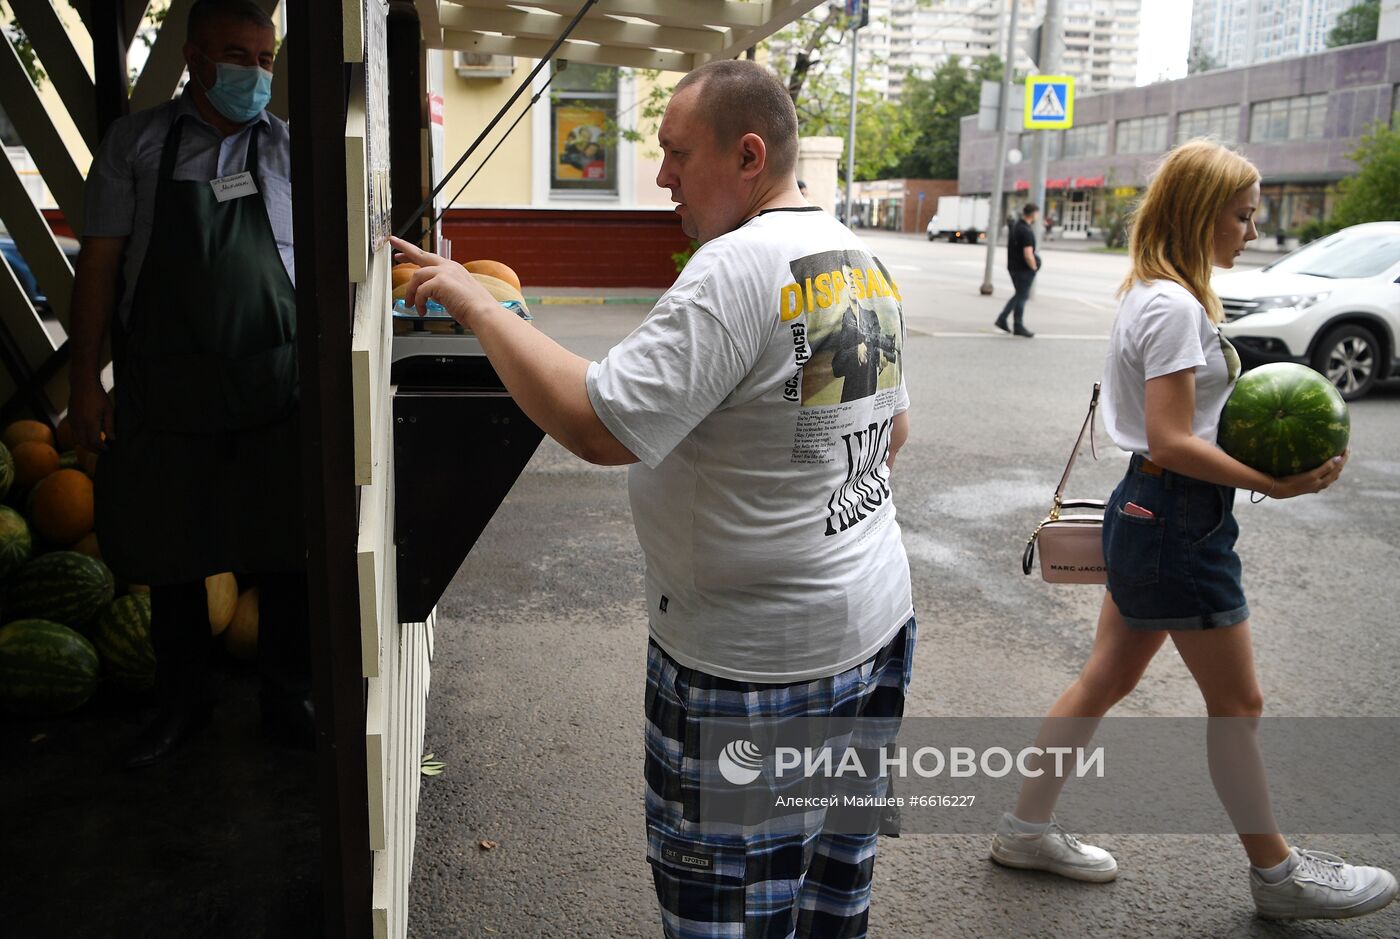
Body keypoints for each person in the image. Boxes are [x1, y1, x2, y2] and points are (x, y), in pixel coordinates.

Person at [391, 58, 914, 937]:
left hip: (751, 668)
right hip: (870, 632)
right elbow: (891, 432)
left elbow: (601, 423)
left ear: (749, 155)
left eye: (676, 155)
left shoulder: (732, 271)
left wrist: (481, 308)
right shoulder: (855, 257)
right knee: (829, 895)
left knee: (729, 916)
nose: (663, 176)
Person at [989, 139, 1397, 922]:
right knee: (1238, 701)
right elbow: (1174, 437)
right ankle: (1277, 875)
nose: (1254, 229)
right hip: (1175, 516)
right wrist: (1273, 480)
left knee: (1104, 677)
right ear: (1200, 214)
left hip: (1151, 507)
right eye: (1243, 216)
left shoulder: (1155, 292)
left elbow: (1175, 426)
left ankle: (1024, 828)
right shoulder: (1175, 305)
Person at [69, 0, 313, 768]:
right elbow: (100, 268)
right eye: (241, 55)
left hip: (276, 383)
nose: (257, 72)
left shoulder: (293, 150)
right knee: (175, 553)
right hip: (166, 383)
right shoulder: (137, 143)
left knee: (285, 550)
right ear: (194, 58)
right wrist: (85, 383)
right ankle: (180, 706)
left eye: (266, 59)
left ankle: (288, 697)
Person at [995, 202, 1039, 337]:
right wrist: (1034, 267)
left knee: (1019, 294)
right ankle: (1016, 324)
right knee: (1022, 296)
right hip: (1023, 269)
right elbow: (1028, 253)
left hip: (1013, 266)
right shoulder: (1025, 230)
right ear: (1033, 213)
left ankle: (1003, 319)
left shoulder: (1016, 226)